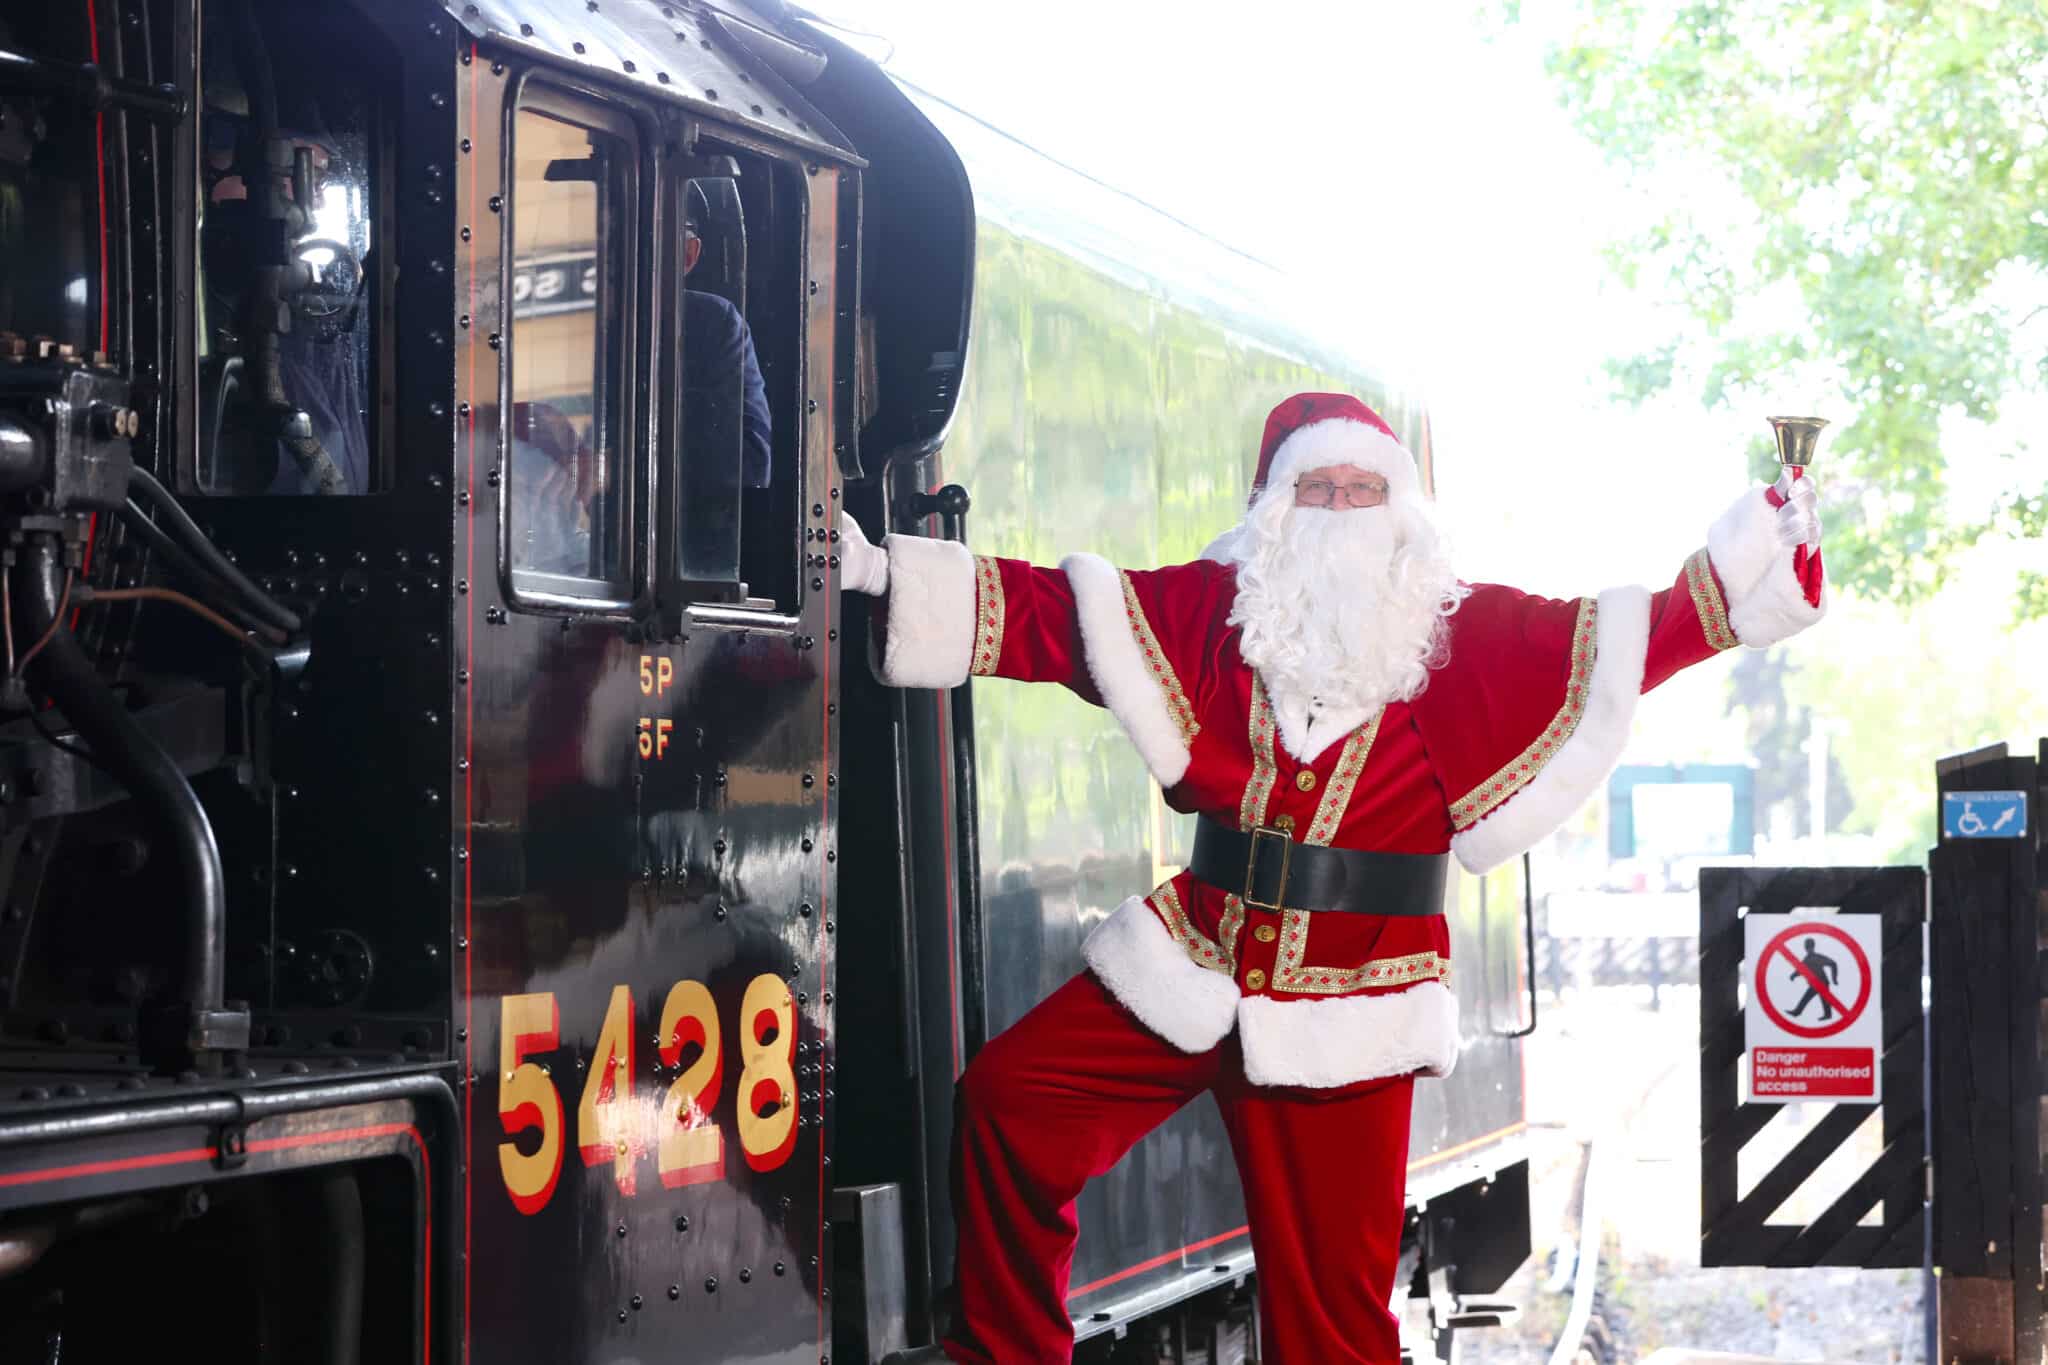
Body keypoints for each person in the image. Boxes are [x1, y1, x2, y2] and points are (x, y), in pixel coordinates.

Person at [837, 392, 1826, 1362]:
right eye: (1319, 489)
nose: (1344, 511)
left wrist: (1752, 575)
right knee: (1014, 1101)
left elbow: (1633, 638)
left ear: (1398, 508)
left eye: (1364, 489)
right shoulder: (1211, 618)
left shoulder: (1463, 636)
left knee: (1330, 1328)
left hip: (1349, 1004)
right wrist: (882, 575)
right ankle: (1004, 1352)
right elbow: (1057, 616)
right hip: (1195, 961)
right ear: (1273, 507)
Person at [683, 182, 772, 490]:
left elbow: (752, 462)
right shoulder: (587, 323)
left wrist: (616, 459)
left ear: (688, 255)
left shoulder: (713, 324)